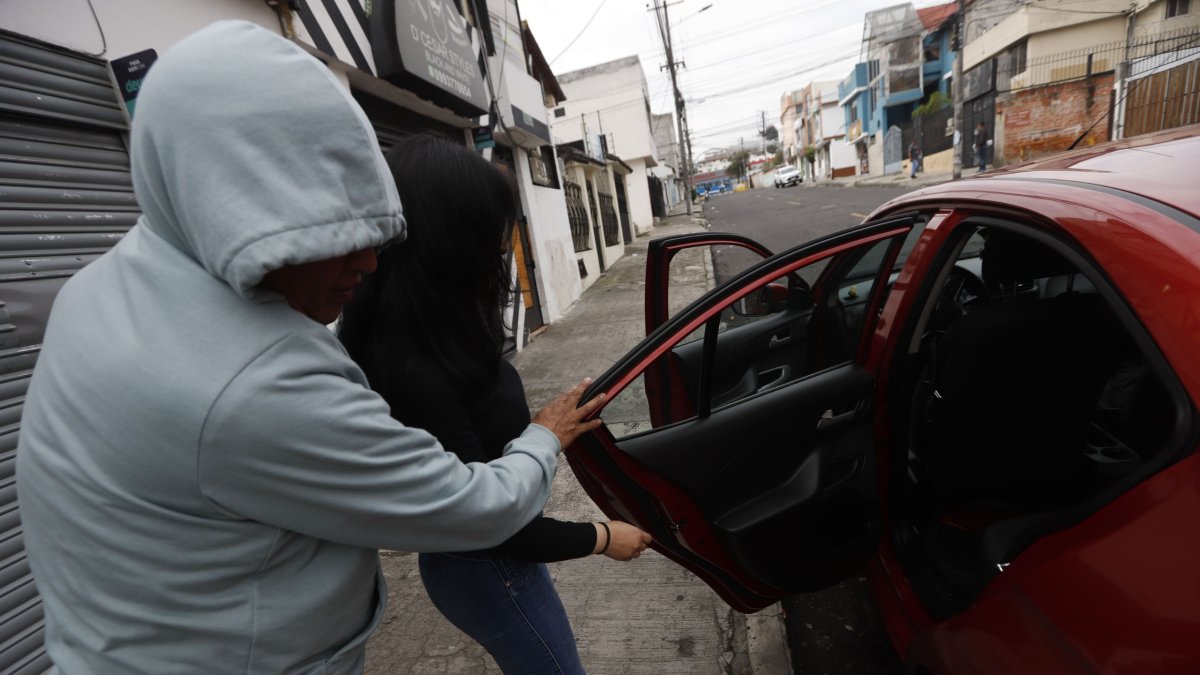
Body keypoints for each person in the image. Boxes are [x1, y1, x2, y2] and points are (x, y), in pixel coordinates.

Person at [15, 21, 604, 674]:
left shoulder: (99, 291)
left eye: (369, 223)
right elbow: (475, 508)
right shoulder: (256, 385)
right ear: (231, 209)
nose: (367, 261)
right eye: (320, 228)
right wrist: (547, 440)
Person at [338, 135, 652, 674]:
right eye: (489, 233)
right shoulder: (410, 367)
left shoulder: (437, 327)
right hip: (491, 569)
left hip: (496, 559)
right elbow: (487, 522)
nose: (500, 249)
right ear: (449, 241)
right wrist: (602, 537)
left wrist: (546, 430)